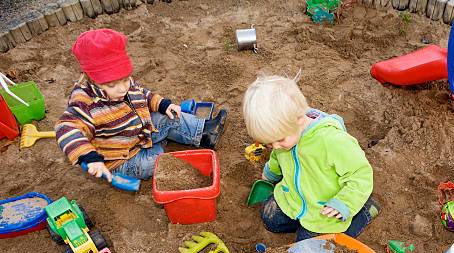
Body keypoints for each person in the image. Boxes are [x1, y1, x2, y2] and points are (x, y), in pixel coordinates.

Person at [55, 28, 227, 181]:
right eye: (112, 85)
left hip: (142, 131)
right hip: (123, 157)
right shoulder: (84, 103)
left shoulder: (125, 84)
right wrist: (89, 157)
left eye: (125, 79)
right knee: (155, 162)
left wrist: (162, 104)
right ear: (90, 78)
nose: (123, 88)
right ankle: (160, 149)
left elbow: (142, 93)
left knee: (169, 116)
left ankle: (205, 133)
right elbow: (66, 128)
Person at [242, 74, 379, 241]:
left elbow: (360, 174)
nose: (275, 147)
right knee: (270, 219)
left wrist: (344, 203)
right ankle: (300, 219)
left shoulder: (331, 141)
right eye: (269, 144)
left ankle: (365, 211)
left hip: (324, 210)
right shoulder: (285, 136)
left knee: (308, 245)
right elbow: (277, 156)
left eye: (279, 140)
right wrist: (270, 173)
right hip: (294, 198)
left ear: (299, 120)